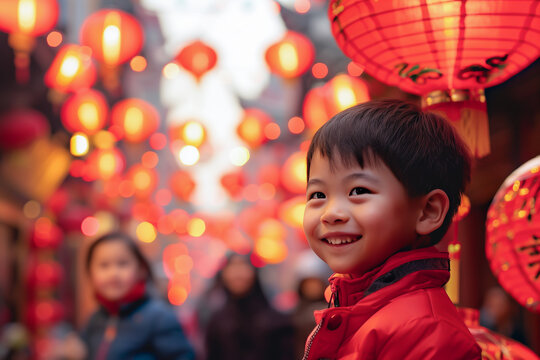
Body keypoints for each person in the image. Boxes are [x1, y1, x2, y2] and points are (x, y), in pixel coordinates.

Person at [301, 99, 482, 359]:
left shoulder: (427, 332)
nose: (331, 214)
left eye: (358, 191)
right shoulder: (348, 312)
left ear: (428, 211)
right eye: (318, 194)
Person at [81, 232, 195, 360]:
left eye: (122, 263)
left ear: (141, 269)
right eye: (104, 265)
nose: (113, 273)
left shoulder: (159, 318)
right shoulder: (96, 319)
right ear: (90, 272)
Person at [203, 253, 294, 360]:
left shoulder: (276, 320)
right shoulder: (217, 321)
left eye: (243, 266)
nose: (237, 273)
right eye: (232, 267)